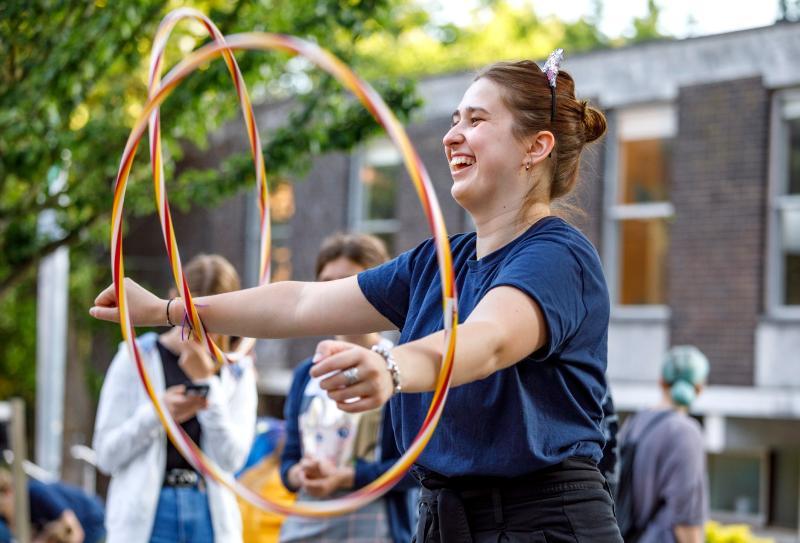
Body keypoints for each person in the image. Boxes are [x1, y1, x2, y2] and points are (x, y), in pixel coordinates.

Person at [91, 51, 621, 541]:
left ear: (537, 146)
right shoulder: (436, 262)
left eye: (476, 120)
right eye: (456, 119)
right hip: (445, 521)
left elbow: (488, 342)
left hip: (545, 524)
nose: (452, 135)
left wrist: (391, 366)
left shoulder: (559, 256)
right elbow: (301, 303)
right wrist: (168, 310)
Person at [93, 254, 258, 543]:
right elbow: (106, 454)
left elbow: (231, 459)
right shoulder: (136, 358)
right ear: (173, 301)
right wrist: (159, 412)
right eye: (190, 314)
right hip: (148, 513)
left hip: (209, 511)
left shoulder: (237, 372)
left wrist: (207, 384)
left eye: (213, 317)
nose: (198, 327)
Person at [279, 233, 417, 543]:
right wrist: (298, 474)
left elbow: (417, 464)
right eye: (326, 283)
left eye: (347, 283)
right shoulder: (306, 374)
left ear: (378, 289)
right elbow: (288, 457)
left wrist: (348, 477)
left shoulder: (401, 364)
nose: (334, 294)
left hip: (374, 517)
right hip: (308, 514)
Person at [616, 346, 710, 543]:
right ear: (700, 387)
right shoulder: (686, 431)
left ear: (661, 382)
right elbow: (686, 517)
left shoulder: (634, 423)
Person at [0, 468, 105, 543]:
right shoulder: (8, 516)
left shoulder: (35, 492)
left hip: (92, 520)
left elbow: (76, 532)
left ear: (8, 492)